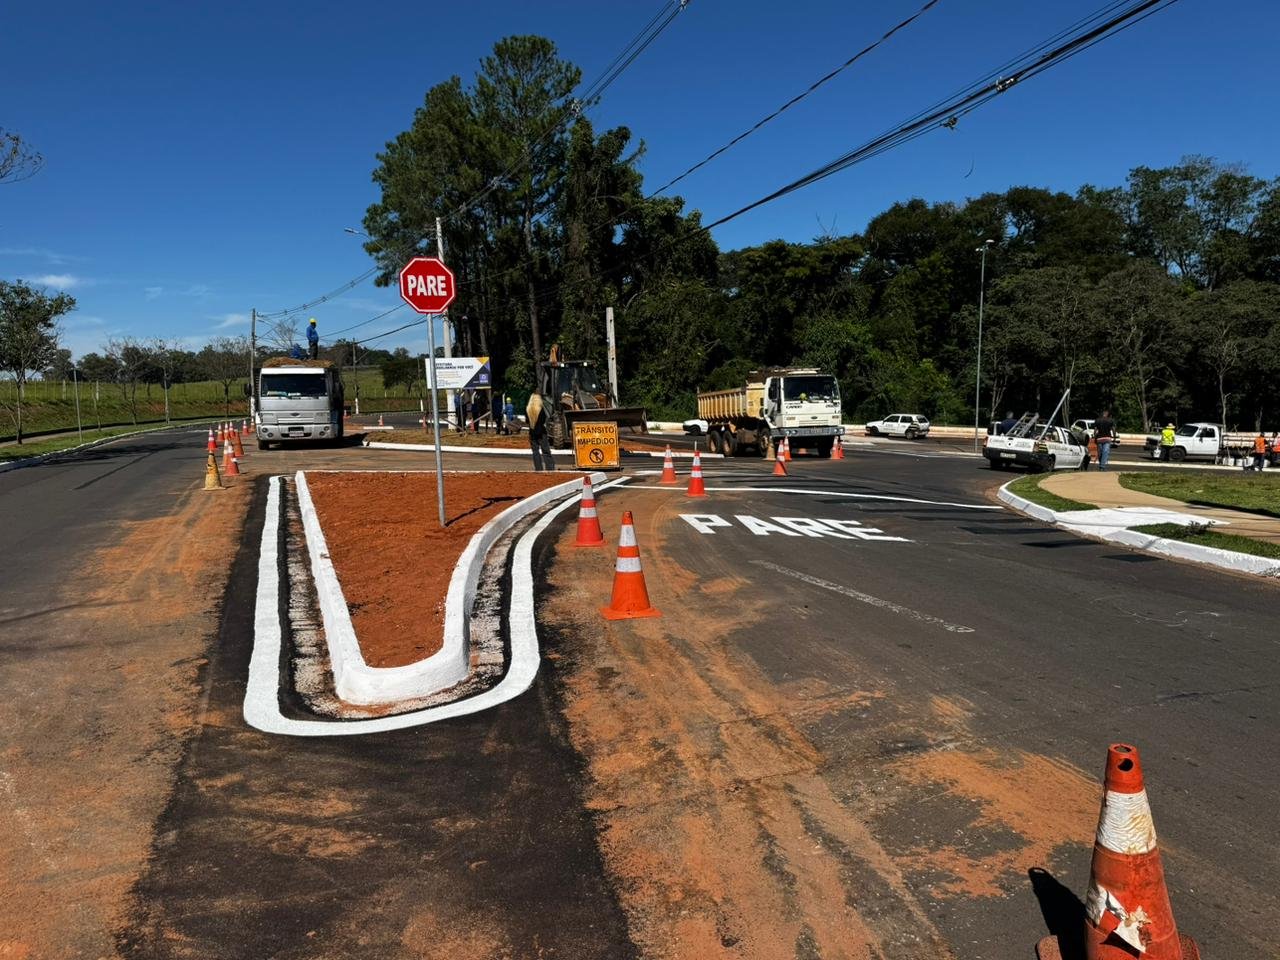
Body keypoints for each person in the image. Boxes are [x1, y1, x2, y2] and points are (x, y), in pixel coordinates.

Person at [526, 392, 554, 471]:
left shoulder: (528, 410)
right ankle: (550, 468)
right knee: (546, 451)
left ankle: (538, 468)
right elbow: (543, 420)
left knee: (535, 452)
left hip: (532, 432)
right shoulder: (540, 410)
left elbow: (527, 421)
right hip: (541, 432)